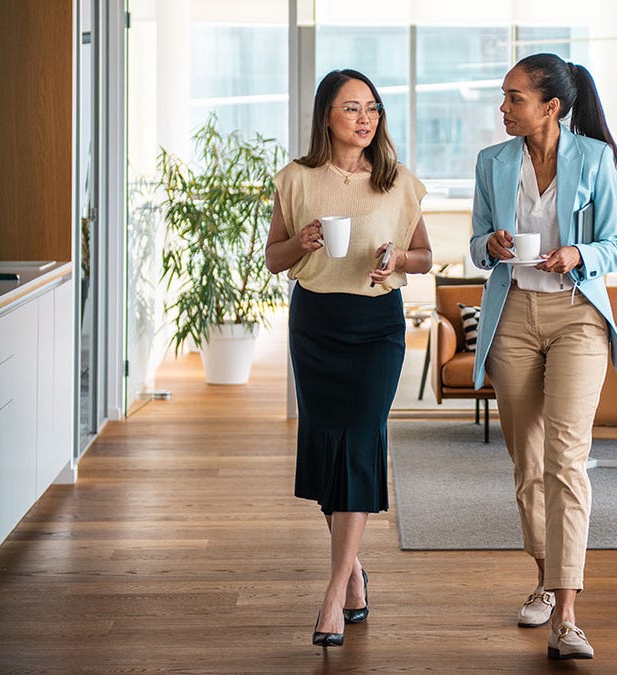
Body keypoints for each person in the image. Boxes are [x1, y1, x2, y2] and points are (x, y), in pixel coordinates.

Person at [264, 69, 432, 648]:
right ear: (326, 116)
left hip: (375, 329)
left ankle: (334, 592)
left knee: (360, 440)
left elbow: (426, 257)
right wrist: (302, 242)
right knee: (327, 444)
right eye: (352, 108)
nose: (365, 118)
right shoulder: (296, 178)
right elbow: (273, 260)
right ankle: (356, 571)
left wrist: (397, 261)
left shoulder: (398, 182)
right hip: (315, 324)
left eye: (373, 109)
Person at [468, 53, 617, 660]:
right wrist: (493, 242)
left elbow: (614, 245)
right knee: (527, 464)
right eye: (503, 97)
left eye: (513, 98)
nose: (503, 108)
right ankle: (542, 575)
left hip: (577, 317)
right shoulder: (493, 162)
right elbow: (479, 247)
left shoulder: (594, 159)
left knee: (566, 459)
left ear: (550, 106)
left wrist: (577, 255)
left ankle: (568, 614)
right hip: (511, 321)